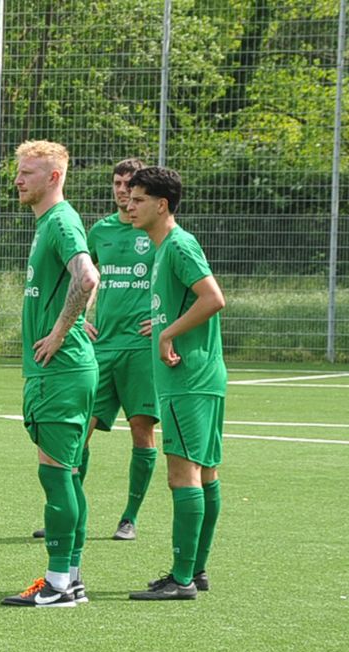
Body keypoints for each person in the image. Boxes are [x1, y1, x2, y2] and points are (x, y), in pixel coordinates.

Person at [32, 159, 159, 541]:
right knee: (79, 433)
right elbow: (83, 275)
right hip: (100, 347)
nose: (122, 191)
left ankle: (129, 517)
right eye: (117, 183)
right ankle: (66, 516)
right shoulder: (100, 230)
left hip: (141, 348)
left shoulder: (155, 230)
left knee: (141, 430)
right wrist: (77, 318)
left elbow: (179, 278)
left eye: (129, 185)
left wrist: (166, 319)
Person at [1, 141, 99, 608]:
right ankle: (70, 579)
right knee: (68, 476)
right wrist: (78, 320)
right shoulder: (50, 223)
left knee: (57, 476)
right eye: (18, 172)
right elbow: (86, 282)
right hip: (65, 370)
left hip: (60, 371)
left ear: (53, 177)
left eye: (27, 173)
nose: (18, 180)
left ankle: (58, 583)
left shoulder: (60, 220)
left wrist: (61, 331)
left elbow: (88, 277)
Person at [125, 166, 226, 601]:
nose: (129, 206)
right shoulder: (165, 247)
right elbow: (190, 303)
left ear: (162, 204)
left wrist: (168, 334)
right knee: (206, 473)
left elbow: (213, 298)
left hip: (188, 378)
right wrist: (166, 322)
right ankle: (195, 570)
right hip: (201, 376)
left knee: (183, 475)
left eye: (138, 200)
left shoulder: (179, 245)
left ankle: (182, 579)